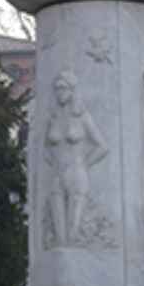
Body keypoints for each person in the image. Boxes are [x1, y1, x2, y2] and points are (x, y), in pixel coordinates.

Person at [43, 70, 107, 247]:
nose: (59, 93)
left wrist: (83, 165)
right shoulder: (53, 118)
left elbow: (102, 146)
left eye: (63, 89)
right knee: (59, 240)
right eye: (57, 89)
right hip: (57, 175)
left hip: (76, 173)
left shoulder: (82, 117)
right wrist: (55, 163)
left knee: (73, 236)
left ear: (72, 91)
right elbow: (45, 147)